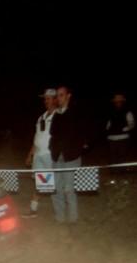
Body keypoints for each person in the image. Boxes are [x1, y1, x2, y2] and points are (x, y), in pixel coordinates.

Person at [48, 85, 90, 224]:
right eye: (57, 95)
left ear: (68, 96)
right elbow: (53, 133)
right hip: (57, 157)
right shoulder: (57, 114)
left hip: (71, 157)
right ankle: (59, 217)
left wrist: (78, 149)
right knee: (56, 188)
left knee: (69, 189)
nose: (58, 98)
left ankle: (73, 218)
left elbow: (82, 133)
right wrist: (53, 149)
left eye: (61, 95)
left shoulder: (76, 113)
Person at [22, 89, 59, 218]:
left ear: (55, 99)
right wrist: (30, 154)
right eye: (45, 98)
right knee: (41, 183)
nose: (46, 101)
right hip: (38, 154)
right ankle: (33, 209)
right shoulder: (41, 117)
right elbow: (37, 137)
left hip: (50, 154)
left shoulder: (59, 116)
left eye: (49, 98)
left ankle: (59, 211)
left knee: (54, 182)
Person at [105, 93, 136, 164]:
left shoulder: (128, 112)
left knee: (122, 155)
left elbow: (132, 123)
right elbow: (108, 123)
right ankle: (114, 171)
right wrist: (108, 130)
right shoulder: (110, 112)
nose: (118, 103)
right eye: (116, 102)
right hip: (111, 138)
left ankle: (122, 171)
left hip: (123, 138)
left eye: (119, 101)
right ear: (114, 103)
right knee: (113, 156)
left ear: (122, 102)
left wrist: (126, 128)